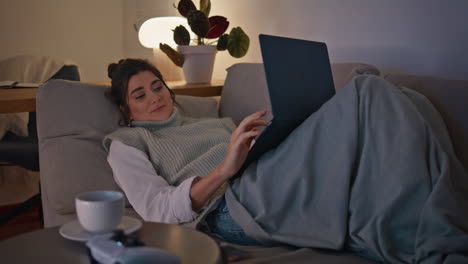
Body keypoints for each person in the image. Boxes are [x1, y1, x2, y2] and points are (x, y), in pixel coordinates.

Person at [103, 59, 468, 263]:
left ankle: (443, 221)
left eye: (157, 86)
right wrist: (226, 169)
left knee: (409, 99)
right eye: (140, 94)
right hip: (229, 208)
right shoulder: (128, 142)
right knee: (368, 90)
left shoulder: (209, 122)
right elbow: (156, 211)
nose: (154, 96)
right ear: (126, 109)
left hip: (265, 175)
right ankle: (442, 233)